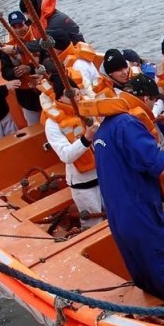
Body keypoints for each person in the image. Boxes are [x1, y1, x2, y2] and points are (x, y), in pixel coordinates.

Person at [92, 88, 164, 306]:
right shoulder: (127, 125)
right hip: (143, 218)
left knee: (147, 278)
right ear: (142, 100)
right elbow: (159, 165)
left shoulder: (104, 130)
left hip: (119, 220)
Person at [41, 76, 103, 229]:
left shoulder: (89, 107)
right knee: (93, 223)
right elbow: (66, 155)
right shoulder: (53, 124)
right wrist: (87, 138)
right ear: (59, 97)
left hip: (106, 174)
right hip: (84, 183)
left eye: (76, 93)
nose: (76, 98)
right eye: (70, 95)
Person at [0, 10, 42, 126]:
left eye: (20, 25)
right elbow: (5, 72)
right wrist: (14, 72)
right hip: (26, 96)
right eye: (14, 26)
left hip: (44, 88)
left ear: (25, 23)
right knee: (34, 125)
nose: (18, 29)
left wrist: (29, 68)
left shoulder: (37, 37)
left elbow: (47, 60)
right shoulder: (6, 47)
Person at [19, 0, 85, 44]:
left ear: (31, 11)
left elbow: (44, 43)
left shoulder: (54, 21)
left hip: (75, 52)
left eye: (27, 14)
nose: (27, 17)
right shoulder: (44, 17)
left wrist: (16, 49)